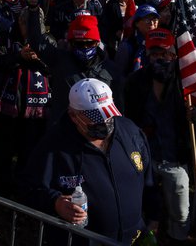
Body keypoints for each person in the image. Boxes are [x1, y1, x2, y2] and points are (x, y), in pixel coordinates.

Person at [20, 78, 152, 245]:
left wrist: (153, 218)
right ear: (74, 116)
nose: (105, 121)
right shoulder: (53, 145)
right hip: (83, 241)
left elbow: (148, 178)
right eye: (96, 116)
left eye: (108, 113)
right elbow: (29, 187)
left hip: (133, 237)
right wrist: (55, 202)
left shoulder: (130, 132)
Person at [124, 29, 193, 244]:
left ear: (174, 55)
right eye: (154, 54)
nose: (160, 59)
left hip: (176, 157)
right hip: (144, 156)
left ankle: (176, 239)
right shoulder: (134, 82)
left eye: (165, 54)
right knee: (145, 208)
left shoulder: (187, 83)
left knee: (181, 212)